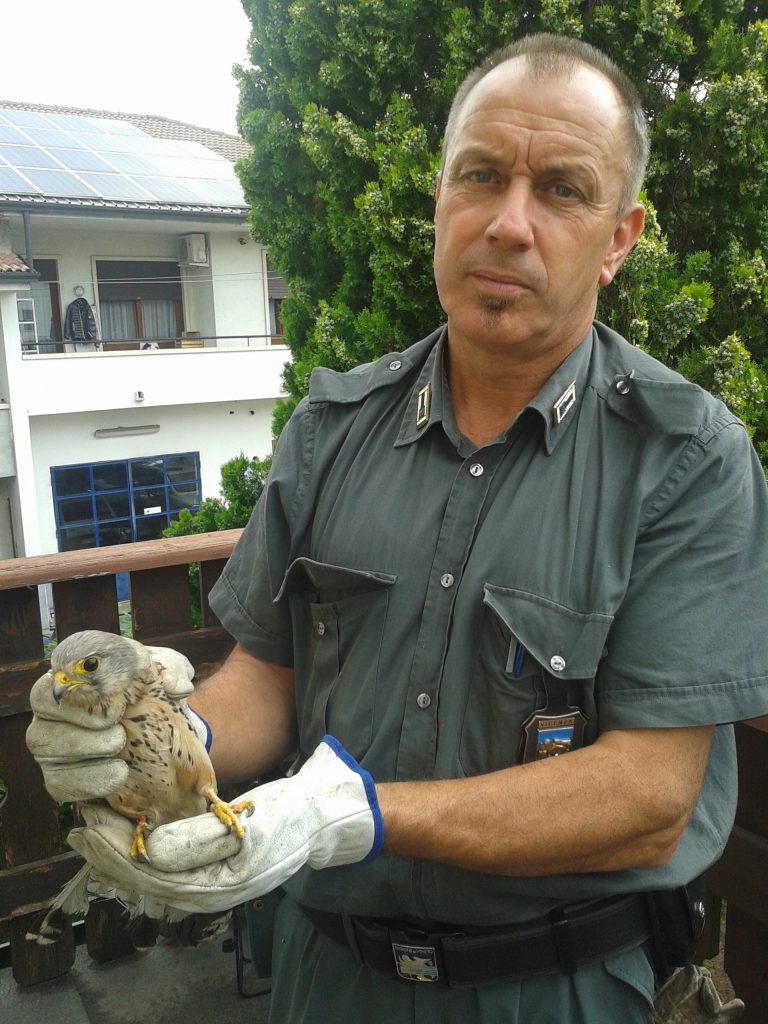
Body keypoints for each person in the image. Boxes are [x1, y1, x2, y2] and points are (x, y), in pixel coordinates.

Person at [27, 33, 768, 1024]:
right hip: (329, 979)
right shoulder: (334, 428)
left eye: (561, 189)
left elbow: (649, 792)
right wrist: (171, 742)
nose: (508, 223)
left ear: (620, 237)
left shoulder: (685, 459)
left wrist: (356, 818)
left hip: (556, 990)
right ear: (439, 199)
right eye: (480, 175)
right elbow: (269, 677)